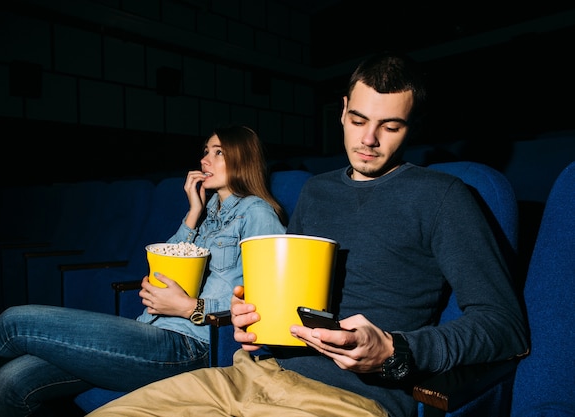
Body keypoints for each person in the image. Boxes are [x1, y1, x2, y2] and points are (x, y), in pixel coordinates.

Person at [86, 52, 530, 417]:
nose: (369, 139)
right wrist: (250, 317)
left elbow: (505, 326)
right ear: (341, 111)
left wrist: (396, 350)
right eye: (358, 120)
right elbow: (288, 304)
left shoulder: (444, 197)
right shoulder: (317, 192)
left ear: (411, 127)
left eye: (390, 127)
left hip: (348, 399)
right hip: (250, 375)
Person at [0, 125, 287, 417]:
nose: (204, 160)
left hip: (190, 346)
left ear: (243, 158)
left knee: (15, 321)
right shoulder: (208, 212)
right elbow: (162, 265)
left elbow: (272, 304)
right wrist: (192, 213)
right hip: (151, 329)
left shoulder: (259, 215)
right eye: (205, 151)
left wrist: (188, 307)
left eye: (218, 152)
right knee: (8, 384)